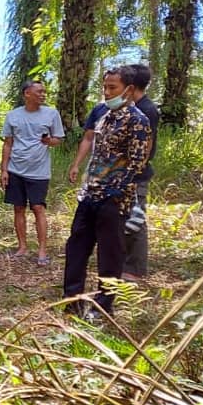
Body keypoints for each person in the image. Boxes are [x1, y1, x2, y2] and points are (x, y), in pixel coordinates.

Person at [63, 67, 150, 317]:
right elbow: (96, 154)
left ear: (128, 90)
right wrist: (87, 183)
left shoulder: (138, 121)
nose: (107, 92)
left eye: (113, 88)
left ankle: (103, 306)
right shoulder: (104, 116)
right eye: (105, 87)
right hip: (89, 194)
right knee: (76, 248)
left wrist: (115, 191)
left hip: (114, 199)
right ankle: (72, 301)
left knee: (109, 254)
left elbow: (136, 164)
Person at [0, 80, 65, 266]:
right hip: (15, 169)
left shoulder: (51, 114)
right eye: (39, 92)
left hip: (39, 171)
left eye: (44, 92)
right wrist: (4, 169)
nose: (43, 95)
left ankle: (42, 250)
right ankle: (22, 247)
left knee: (38, 208)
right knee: (18, 208)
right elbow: (8, 143)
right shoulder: (13, 115)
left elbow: (58, 139)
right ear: (27, 94)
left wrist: (49, 141)